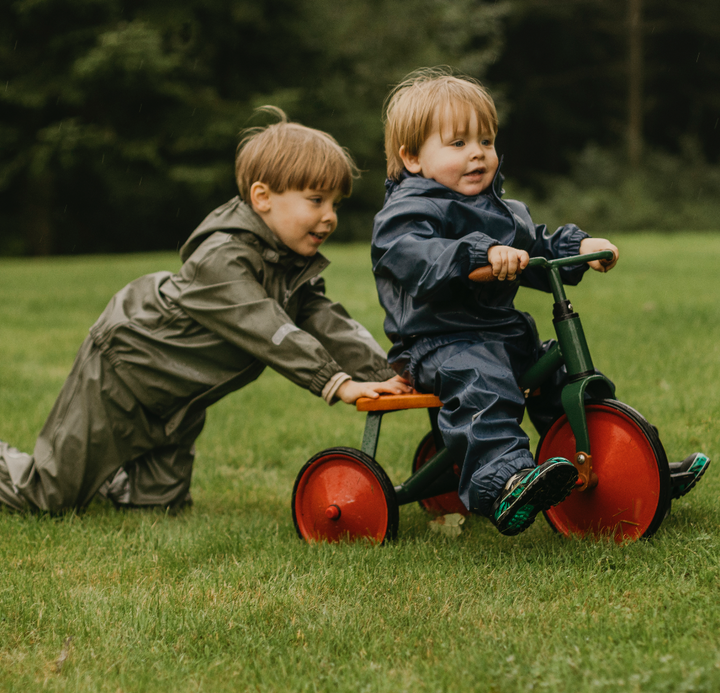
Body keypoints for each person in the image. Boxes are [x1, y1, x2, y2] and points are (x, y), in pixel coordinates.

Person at [0, 107, 410, 513]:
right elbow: (265, 327)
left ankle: (106, 473)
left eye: (335, 204)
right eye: (316, 200)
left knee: (156, 506)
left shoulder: (290, 268)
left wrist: (388, 374)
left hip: (181, 400)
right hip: (121, 378)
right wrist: (336, 382)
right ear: (262, 198)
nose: (329, 217)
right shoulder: (221, 259)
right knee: (48, 498)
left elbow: (328, 321)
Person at [371, 68, 709, 536]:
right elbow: (415, 256)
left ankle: (623, 464)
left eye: (485, 141)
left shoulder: (502, 212)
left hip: (503, 334)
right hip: (438, 342)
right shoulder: (406, 214)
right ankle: (503, 483)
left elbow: (540, 244)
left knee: (563, 375)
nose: (477, 154)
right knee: (484, 386)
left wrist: (579, 248)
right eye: (457, 144)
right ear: (411, 158)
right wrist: (478, 253)